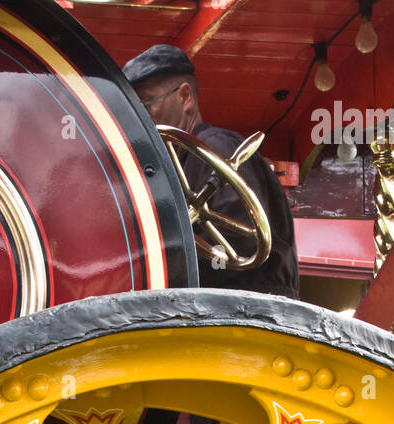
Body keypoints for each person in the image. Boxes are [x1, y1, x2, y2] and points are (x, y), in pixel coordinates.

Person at [123, 44, 299, 299]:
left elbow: (238, 241)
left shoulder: (215, 147)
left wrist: (157, 259)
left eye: (145, 104)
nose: (138, 120)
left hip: (249, 314)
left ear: (185, 97)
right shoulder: (184, 162)